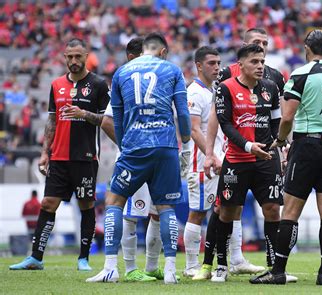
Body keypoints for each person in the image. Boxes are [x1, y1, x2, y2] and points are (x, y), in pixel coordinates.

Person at [250, 29, 322, 286]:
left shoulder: (299, 74)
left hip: (307, 144)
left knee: (290, 211)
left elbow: (287, 118)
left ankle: (278, 271)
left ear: (306, 49)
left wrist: (279, 141)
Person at [86, 32, 191, 284]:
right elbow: (183, 114)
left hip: (134, 146)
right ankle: (169, 271)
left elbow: (117, 120)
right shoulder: (173, 70)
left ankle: (111, 268)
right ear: (162, 51)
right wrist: (185, 145)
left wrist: (125, 146)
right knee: (166, 208)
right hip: (165, 146)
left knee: (114, 202)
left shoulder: (121, 73)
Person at [197, 28, 292, 282]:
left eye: (262, 60)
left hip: (266, 159)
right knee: (226, 212)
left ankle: (275, 268)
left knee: (273, 209)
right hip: (237, 160)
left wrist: (276, 146)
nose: (261, 65)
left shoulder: (272, 86)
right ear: (241, 64)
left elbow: (276, 121)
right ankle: (219, 265)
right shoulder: (227, 85)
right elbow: (224, 123)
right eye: (255, 61)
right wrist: (239, 148)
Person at [10, 38, 110, 271]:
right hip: (59, 157)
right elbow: (52, 120)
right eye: (69, 57)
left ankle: (83, 258)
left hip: (85, 157)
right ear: (64, 57)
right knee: (47, 203)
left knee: (86, 205)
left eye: (78, 56)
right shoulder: (56, 85)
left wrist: (84, 113)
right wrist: (45, 152)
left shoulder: (98, 84)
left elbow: (106, 120)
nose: (73, 61)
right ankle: (36, 257)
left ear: (86, 56)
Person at [99, 37, 164, 282]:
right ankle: (129, 268)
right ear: (131, 58)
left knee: (158, 211)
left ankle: (151, 267)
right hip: (134, 158)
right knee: (131, 213)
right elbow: (106, 121)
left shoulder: (157, 82)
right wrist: (130, 146)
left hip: (160, 156)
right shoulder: (125, 83)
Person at [182, 46, 223, 277]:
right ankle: (190, 266)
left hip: (217, 159)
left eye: (218, 62)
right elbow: (194, 129)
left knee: (221, 210)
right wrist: (210, 154)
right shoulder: (195, 92)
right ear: (199, 66)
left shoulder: (213, 90)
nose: (217, 67)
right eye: (211, 63)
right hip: (202, 161)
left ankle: (224, 260)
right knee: (197, 212)